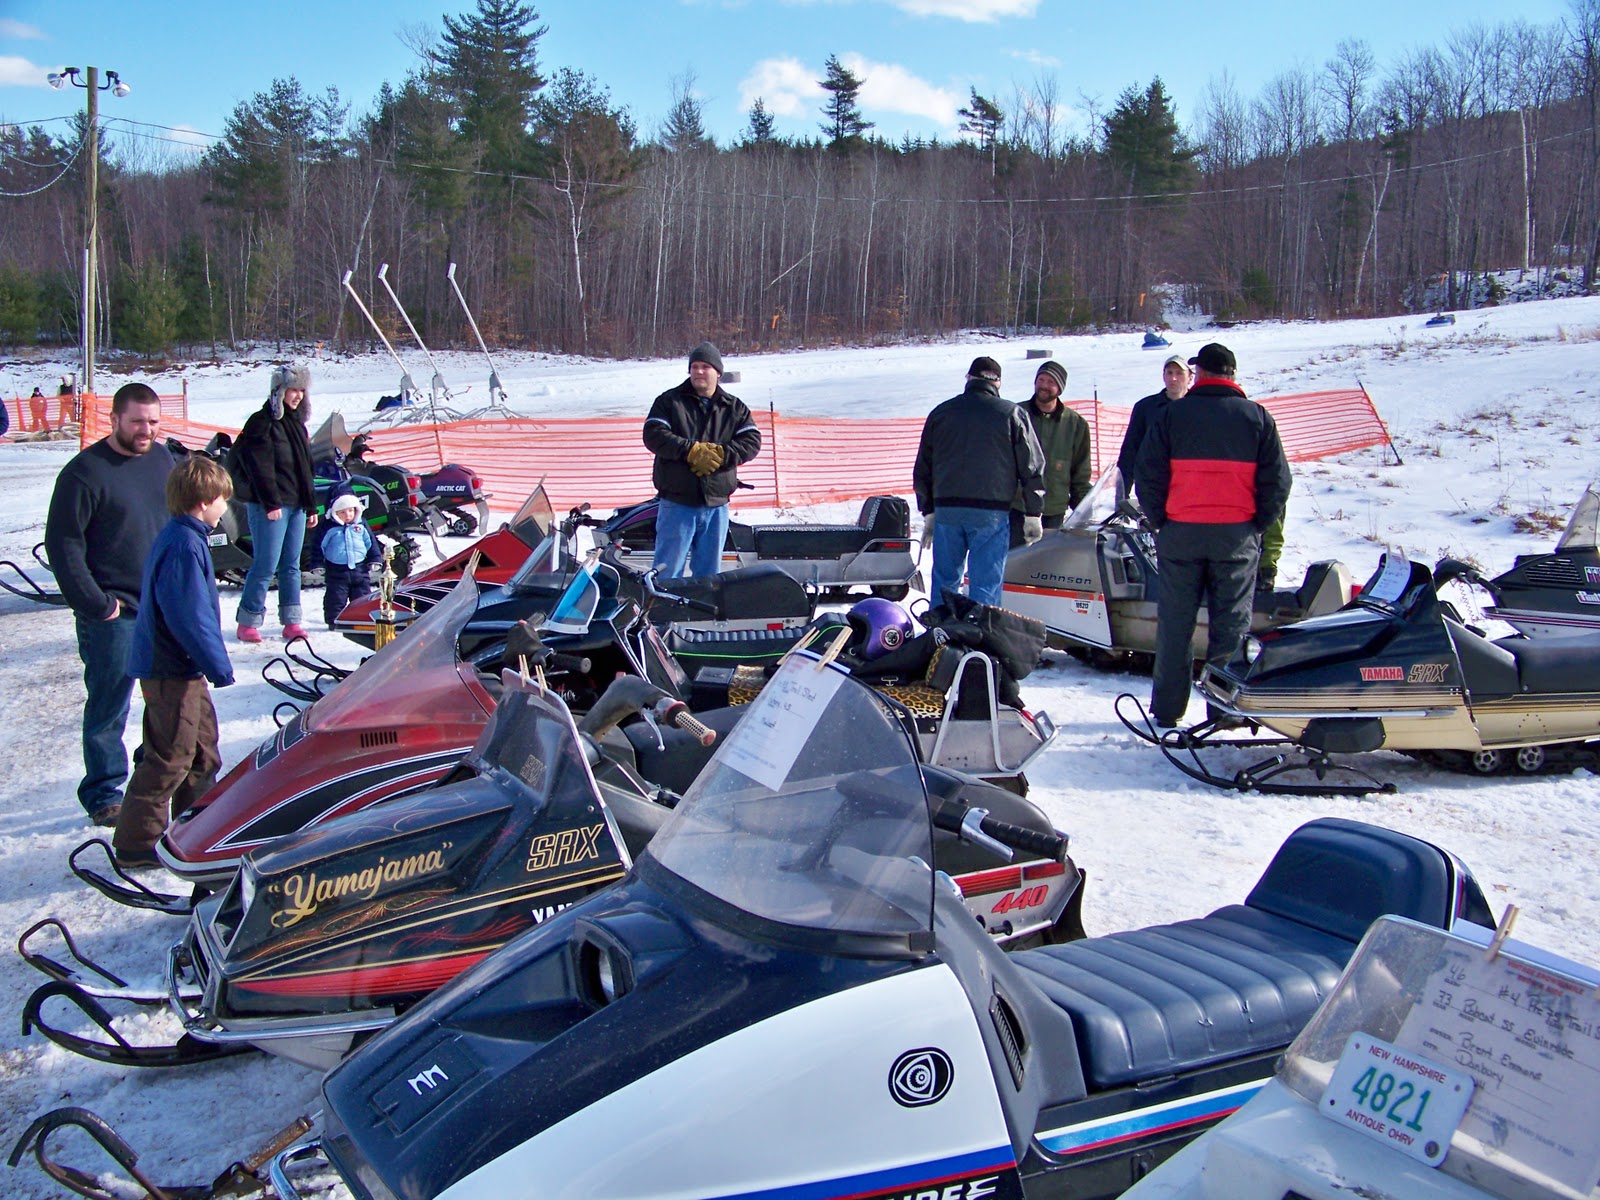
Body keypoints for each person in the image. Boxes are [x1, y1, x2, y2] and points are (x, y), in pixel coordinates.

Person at [1134, 343, 1291, 729]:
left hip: (1181, 534)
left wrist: (1161, 520)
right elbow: (1279, 483)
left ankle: (1167, 709)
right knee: (1231, 627)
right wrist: (1254, 523)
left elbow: (1147, 473)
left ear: (1199, 374)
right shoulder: (1257, 418)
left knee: (1175, 624)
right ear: (1232, 376)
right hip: (1235, 538)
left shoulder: (1173, 414)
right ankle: (1224, 709)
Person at [43, 381, 176, 825]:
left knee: (163, 699)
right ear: (114, 418)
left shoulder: (161, 459)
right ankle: (103, 791)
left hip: (159, 605)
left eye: (154, 422)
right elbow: (63, 546)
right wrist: (95, 604)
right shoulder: (84, 473)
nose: (146, 430)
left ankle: (150, 778)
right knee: (110, 703)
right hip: (113, 611)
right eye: (138, 421)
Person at [112, 457, 236, 869]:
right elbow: (189, 616)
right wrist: (218, 664)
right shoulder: (184, 545)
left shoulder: (189, 538)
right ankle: (136, 842)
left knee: (203, 751)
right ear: (204, 501)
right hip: (170, 669)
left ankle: (197, 828)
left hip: (184, 669)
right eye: (223, 500)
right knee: (171, 755)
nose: (225, 508)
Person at [913, 356, 1045, 608]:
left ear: (969, 378)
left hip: (947, 511)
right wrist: (1033, 512)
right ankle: (980, 639)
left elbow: (923, 467)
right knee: (985, 584)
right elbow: (1032, 467)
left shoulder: (941, 413)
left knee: (945, 582)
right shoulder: (1011, 414)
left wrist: (928, 509)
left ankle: (941, 639)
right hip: (991, 513)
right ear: (998, 383)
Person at [642, 342, 761, 578]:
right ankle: (664, 614)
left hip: (716, 506)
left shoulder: (734, 408)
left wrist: (721, 455)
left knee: (709, 576)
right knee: (667, 572)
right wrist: (691, 451)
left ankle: (702, 615)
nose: (698, 372)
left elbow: (752, 441)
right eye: (694, 366)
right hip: (677, 504)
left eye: (705, 366)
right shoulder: (669, 402)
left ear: (718, 372)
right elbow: (654, 434)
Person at [232, 364, 318, 643]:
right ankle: (248, 620)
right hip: (270, 505)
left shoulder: (297, 425)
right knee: (266, 564)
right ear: (279, 391)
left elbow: (305, 469)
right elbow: (259, 466)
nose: (297, 396)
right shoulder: (261, 422)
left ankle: (291, 620)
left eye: (301, 390)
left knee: (292, 565)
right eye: (293, 389)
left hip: (295, 505)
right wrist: (270, 502)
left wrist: (311, 505)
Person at [1009, 360, 1091, 548]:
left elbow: (1081, 472)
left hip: (1053, 510)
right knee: (1014, 568)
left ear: (1060, 388)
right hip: (1018, 508)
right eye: (1041, 380)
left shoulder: (1076, 424)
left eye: (1050, 382)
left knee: (1046, 570)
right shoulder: (1016, 415)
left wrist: (1084, 511)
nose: (1044, 386)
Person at [1116, 352, 1190, 502]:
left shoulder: (1197, 408)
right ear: (1163, 376)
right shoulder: (1146, 408)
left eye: (1179, 373)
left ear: (1190, 377)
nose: (1173, 378)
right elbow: (1130, 450)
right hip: (1152, 489)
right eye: (1169, 373)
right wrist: (1121, 495)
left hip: (1188, 489)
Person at [320, 490, 380, 627]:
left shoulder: (361, 525)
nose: (348, 515)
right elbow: (318, 546)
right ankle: (334, 621)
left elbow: (371, 543)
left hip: (360, 570)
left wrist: (375, 558)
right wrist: (317, 563)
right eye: (342, 512)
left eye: (351, 511)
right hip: (336, 571)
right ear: (334, 513)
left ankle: (362, 619)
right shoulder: (328, 528)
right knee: (335, 598)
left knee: (362, 597)